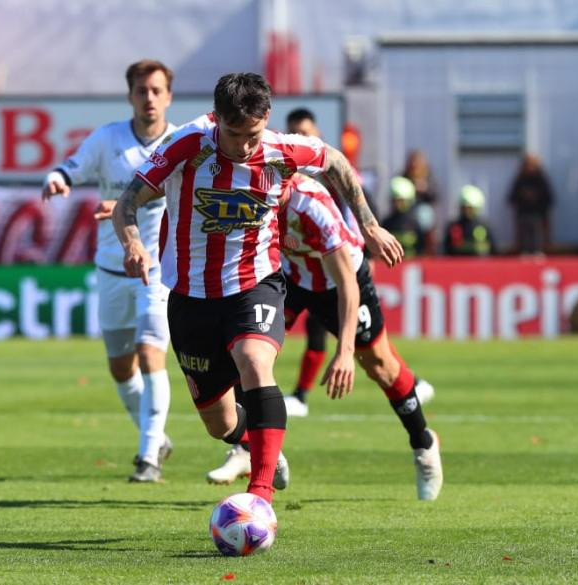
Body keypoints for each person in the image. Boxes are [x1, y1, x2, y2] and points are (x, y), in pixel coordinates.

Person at [113, 72, 403, 505]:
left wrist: (369, 224)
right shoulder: (188, 144)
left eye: (252, 134)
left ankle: (260, 496)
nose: (245, 146)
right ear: (218, 123)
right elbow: (127, 203)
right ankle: (256, 443)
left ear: (265, 119)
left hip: (256, 284)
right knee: (219, 422)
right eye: (234, 134)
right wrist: (133, 243)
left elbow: (336, 163)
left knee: (254, 360)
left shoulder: (282, 148)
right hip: (191, 296)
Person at [43, 60, 177, 482]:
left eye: (156, 90)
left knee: (151, 352)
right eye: (142, 90)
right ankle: (155, 436)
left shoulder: (181, 145)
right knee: (121, 367)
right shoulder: (108, 139)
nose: (149, 98)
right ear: (130, 96)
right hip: (111, 270)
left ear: (168, 96)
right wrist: (57, 178)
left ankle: (147, 458)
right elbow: (72, 167)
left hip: (157, 271)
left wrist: (127, 206)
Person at [269, 174, 442, 499]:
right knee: (252, 354)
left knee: (380, 366)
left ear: (289, 180)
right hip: (291, 279)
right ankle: (261, 448)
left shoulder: (312, 208)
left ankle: (424, 444)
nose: (264, 193)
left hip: (340, 282)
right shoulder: (252, 201)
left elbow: (347, 283)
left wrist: (345, 352)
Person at [280, 107, 333, 418]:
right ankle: (284, 395)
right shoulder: (279, 174)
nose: (300, 139)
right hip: (292, 271)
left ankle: (300, 396)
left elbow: (356, 226)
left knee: (357, 342)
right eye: (294, 134)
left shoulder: (335, 177)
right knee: (267, 329)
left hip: (331, 274)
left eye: (306, 133)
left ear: (318, 136)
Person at [507, 153, 554, 255]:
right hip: (523, 215)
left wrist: (536, 197)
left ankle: (538, 251)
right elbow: (511, 198)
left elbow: (549, 198)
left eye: (532, 165)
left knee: (537, 233)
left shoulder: (541, 180)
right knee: (524, 233)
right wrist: (523, 196)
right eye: (528, 164)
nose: (530, 168)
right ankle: (524, 251)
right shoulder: (520, 180)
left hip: (538, 215)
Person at [382, 176, 434, 257]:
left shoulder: (416, 223)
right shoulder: (387, 223)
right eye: (395, 200)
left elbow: (423, 250)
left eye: (401, 201)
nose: (398, 204)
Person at [444, 185, 495, 256]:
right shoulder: (454, 227)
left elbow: (493, 251)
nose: (467, 211)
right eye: (464, 208)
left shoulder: (484, 227)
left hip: (480, 265)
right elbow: (447, 251)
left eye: (470, 208)